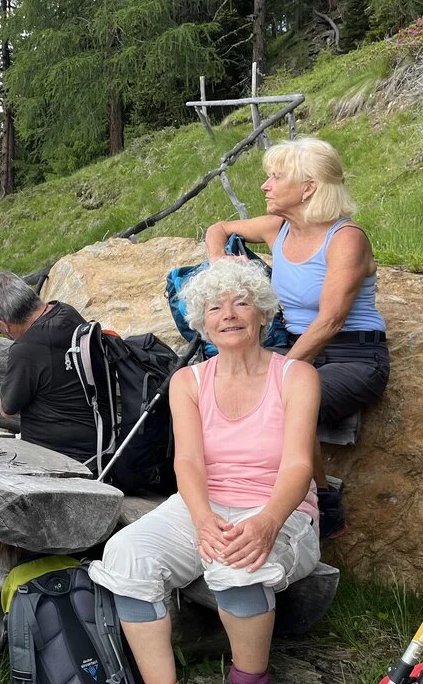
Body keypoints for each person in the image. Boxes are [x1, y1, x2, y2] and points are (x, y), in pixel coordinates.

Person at [89, 259, 321, 684]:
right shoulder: (189, 381)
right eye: (214, 308)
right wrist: (201, 520)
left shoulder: (296, 376)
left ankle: (250, 677)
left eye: (241, 303)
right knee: (127, 554)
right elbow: (190, 461)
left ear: (264, 314)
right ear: (202, 323)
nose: (228, 315)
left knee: (239, 566)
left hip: (279, 510)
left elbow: (299, 464)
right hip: (204, 504)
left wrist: (268, 521)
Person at [204, 137, 389, 540]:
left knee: (287, 404)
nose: (265, 186)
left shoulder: (346, 238)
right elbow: (218, 227)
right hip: (296, 346)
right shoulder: (278, 228)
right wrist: (218, 256)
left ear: (309, 187)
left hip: (353, 357)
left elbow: (332, 320)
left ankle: (324, 506)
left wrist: (281, 372)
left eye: (276, 176)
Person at [0, 270, 97, 462]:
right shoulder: (65, 311)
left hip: (60, 456)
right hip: (97, 438)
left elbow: (7, 409)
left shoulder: (26, 349)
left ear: (2, 325)